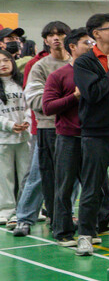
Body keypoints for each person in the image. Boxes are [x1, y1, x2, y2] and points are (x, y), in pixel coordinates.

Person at [73, 13, 109, 256]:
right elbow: (93, 94)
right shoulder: (85, 62)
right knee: (92, 187)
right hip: (95, 134)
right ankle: (86, 234)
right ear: (96, 34)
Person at [12, 21, 70, 237]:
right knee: (37, 175)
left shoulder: (77, 63)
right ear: (45, 40)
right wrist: (69, 100)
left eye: (61, 34)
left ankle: (63, 216)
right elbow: (37, 100)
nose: (56, 38)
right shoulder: (38, 66)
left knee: (69, 178)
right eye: (51, 35)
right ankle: (24, 218)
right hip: (44, 128)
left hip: (72, 129)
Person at [43, 29, 90, 246]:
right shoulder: (59, 75)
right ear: (72, 47)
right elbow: (48, 107)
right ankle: (62, 231)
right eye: (86, 42)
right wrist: (75, 97)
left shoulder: (97, 72)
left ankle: (92, 228)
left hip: (94, 137)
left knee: (94, 187)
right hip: (68, 137)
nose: (91, 45)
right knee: (64, 186)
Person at [0, 48, 29, 225]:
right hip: (3, 139)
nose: (3, 64)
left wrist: (26, 122)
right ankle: (6, 209)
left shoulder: (22, 83)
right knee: (5, 176)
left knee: (26, 175)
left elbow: (29, 106)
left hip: (25, 138)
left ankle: (26, 209)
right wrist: (10, 126)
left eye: (6, 60)